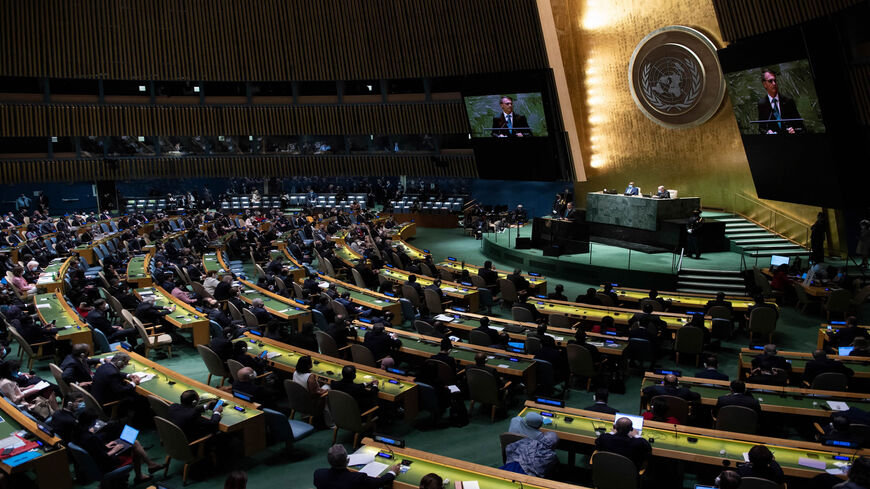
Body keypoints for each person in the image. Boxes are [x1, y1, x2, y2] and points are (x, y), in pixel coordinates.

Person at [313, 444, 399, 489]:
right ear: (347, 460)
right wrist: (392, 472)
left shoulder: (318, 474)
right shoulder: (358, 478)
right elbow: (380, 482)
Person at [757, 69, 803, 135]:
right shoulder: (762, 104)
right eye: (770, 81)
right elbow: (761, 128)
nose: (774, 83)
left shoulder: (788, 101)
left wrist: (794, 130)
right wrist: (767, 132)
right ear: (764, 84)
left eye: (775, 80)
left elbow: (800, 124)